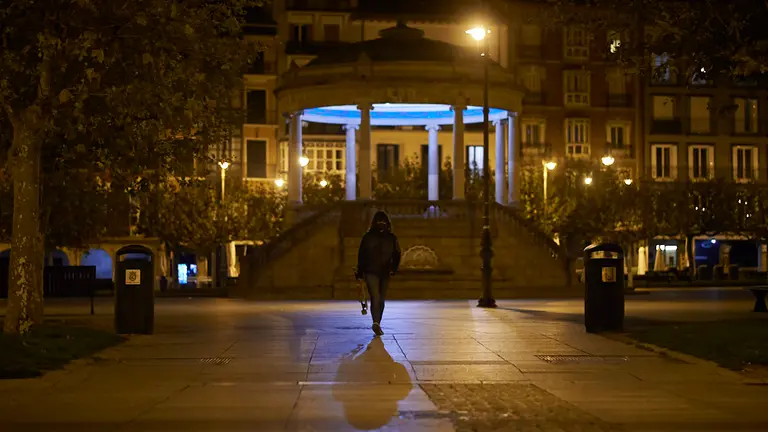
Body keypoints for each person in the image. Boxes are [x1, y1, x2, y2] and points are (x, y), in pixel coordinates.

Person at [355, 211, 401, 336]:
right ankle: (377, 322)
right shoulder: (390, 238)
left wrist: (360, 273)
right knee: (379, 297)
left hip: (374, 271)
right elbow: (397, 254)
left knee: (377, 297)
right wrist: (393, 268)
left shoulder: (369, 237)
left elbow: (361, 256)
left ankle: (376, 322)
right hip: (380, 271)